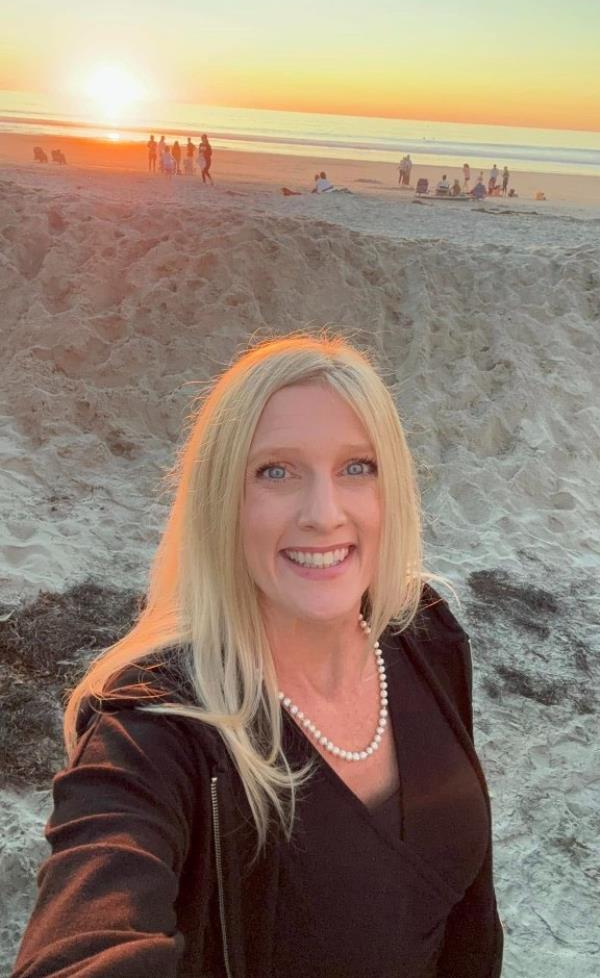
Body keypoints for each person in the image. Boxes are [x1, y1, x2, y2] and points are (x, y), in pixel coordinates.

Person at [12, 334, 503, 978]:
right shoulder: (155, 727)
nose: (324, 515)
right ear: (223, 501)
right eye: (275, 471)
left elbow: (466, 909)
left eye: (357, 467)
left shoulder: (423, 632)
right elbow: (88, 932)